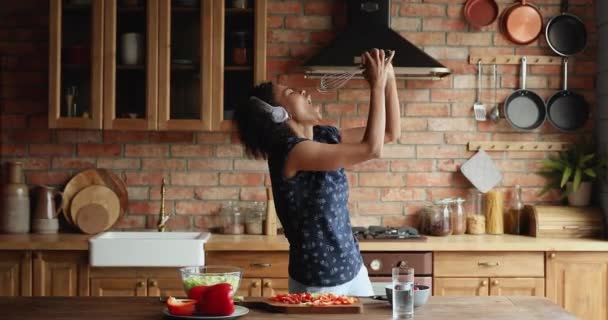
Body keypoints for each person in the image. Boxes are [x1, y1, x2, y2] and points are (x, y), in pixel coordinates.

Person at [233, 49, 400, 296]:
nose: (303, 92)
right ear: (278, 115)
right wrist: (375, 86)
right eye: (291, 93)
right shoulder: (290, 153)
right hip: (318, 282)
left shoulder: (325, 136)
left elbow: (389, 134)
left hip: (353, 269)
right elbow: (371, 149)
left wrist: (389, 79)